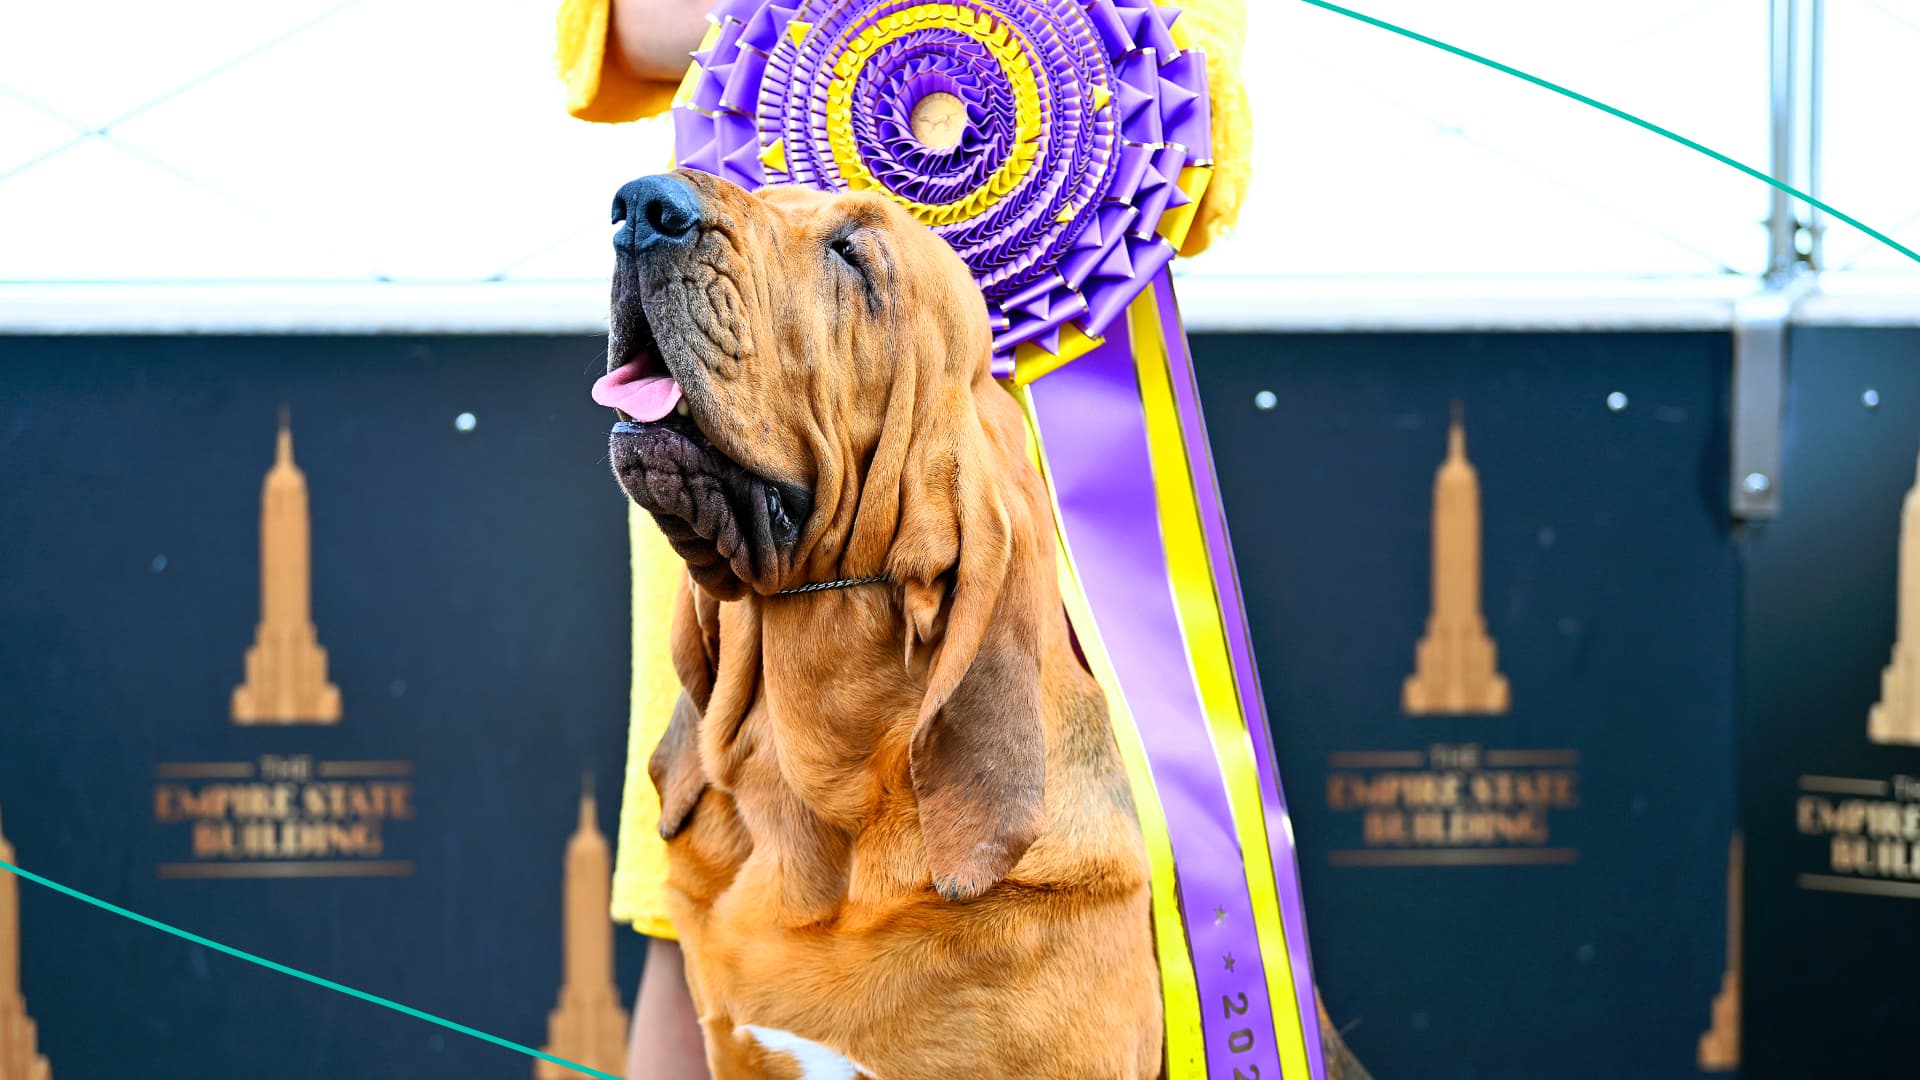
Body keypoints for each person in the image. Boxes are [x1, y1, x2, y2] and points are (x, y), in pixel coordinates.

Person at [551, 5, 1324, 1080]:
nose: (650, 221)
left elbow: (1198, 111)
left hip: (1046, 442)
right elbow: (617, 34)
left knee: (1048, 885)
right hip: (755, 464)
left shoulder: (982, 489)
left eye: (848, 264)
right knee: (703, 884)